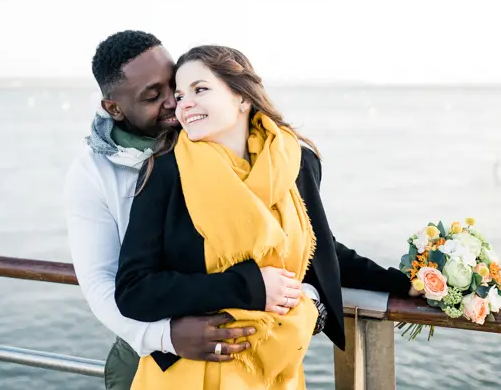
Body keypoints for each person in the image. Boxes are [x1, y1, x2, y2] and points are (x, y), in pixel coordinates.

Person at [115, 45, 419, 389]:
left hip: (277, 371)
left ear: (242, 98)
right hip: (191, 373)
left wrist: (406, 284)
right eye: (181, 94)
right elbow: (133, 291)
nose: (183, 104)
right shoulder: (166, 172)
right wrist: (251, 287)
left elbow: (321, 249)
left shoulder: (296, 164)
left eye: (200, 89)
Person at [65, 31, 287, 390]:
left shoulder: (213, 139)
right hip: (148, 356)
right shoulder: (93, 173)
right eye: (153, 96)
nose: (174, 103)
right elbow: (101, 284)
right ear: (114, 108)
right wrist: (167, 336)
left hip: (239, 353)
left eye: (176, 87)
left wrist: (307, 298)